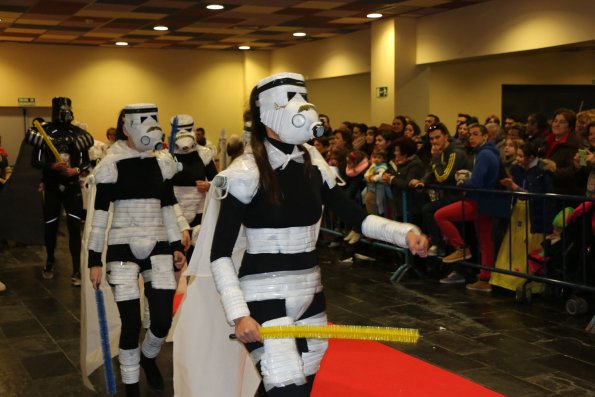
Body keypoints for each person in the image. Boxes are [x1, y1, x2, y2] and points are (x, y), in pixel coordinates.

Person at [173, 72, 428, 397]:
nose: (302, 106)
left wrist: (404, 234)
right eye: (290, 99)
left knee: (297, 386)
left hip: (311, 290)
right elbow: (220, 254)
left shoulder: (314, 162)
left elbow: (357, 218)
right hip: (264, 296)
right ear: (267, 113)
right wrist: (239, 315)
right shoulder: (243, 174)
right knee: (286, 386)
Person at [86, 104, 187, 396]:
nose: (150, 126)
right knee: (130, 324)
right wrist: (95, 259)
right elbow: (100, 217)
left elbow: (168, 207)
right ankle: (131, 388)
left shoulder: (162, 163)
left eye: (153, 119)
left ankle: (148, 358)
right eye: (144, 120)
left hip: (158, 245)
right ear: (127, 126)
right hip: (121, 249)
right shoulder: (111, 165)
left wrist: (176, 245)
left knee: (162, 320)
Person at [26, 97, 94, 285]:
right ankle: (49, 261)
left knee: (74, 228)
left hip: (72, 187)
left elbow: (86, 161)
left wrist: (77, 170)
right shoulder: (44, 133)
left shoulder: (79, 134)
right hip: (52, 186)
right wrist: (51, 166)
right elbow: (36, 161)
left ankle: (76, 269)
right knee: (50, 227)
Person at [435, 123, 508, 291]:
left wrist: (463, 180)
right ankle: (485, 277)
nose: (471, 137)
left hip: (479, 201)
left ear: (485, 137)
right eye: (470, 135)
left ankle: (461, 248)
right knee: (485, 241)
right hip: (487, 202)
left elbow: (476, 182)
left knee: (440, 215)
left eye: (475, 134)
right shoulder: (490, 153)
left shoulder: (484, 154)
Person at [409, 123, 469, 257]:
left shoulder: (454, 153)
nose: (434, 142)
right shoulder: (439, 152)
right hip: (448, 196)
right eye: (431, 139)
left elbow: (443, 177)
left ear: (446, 136)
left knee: (429, 210)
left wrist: (435, 158)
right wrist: (422, 182)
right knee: (427, 209)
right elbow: (430, 171)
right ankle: (438, 245)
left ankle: (440, 246)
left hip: (460, 196)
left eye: (437, 137)